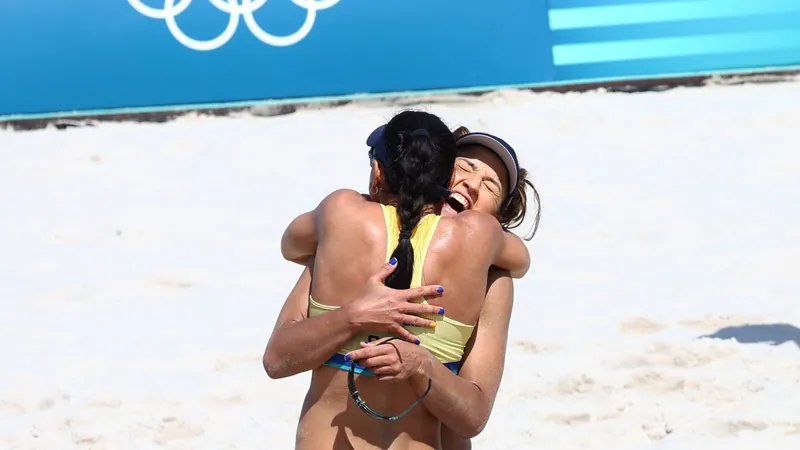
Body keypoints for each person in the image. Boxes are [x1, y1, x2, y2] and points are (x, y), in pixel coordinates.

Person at [264, 120, 541, 449]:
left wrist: (422, 365)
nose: (472, 185)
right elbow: (277, 359)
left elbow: (473, 417)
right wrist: (352, 316)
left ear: (498, 216)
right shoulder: (342, 241)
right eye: (464, 166)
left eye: (491, 186)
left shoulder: (493, 281)